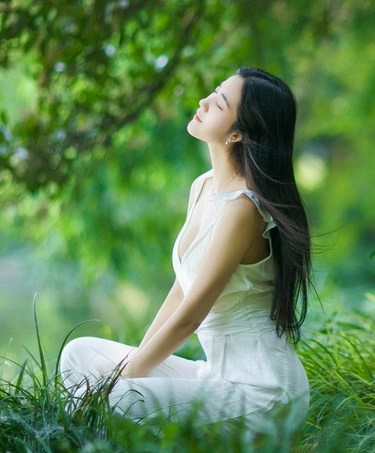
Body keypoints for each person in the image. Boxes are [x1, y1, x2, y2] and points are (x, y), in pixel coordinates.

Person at [60, 67, 311, 432]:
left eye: (219, 102)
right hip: (213, 377)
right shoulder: (205, 186)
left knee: (120, 396)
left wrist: (125, 378)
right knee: (79, 354)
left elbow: (192, 316)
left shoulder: (244, 208)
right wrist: (130, 367)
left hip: (263, 392)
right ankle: (86, 430)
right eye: (214, 91)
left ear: (238, 133)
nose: (204, 102)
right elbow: (181, 291)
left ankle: (81, 430)